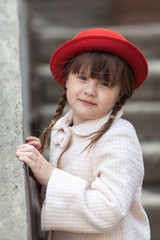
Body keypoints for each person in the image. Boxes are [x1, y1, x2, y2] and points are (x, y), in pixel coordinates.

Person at [16, 28, 150, 240]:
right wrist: (40, 174)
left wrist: (51, 176)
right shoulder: (64, 129)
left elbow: (110, 209)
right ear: (67, 79)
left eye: (104, 83)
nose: (90, 90)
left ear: (120, 94)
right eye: (83, 78)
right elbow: (58, 204)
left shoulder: (119, 137)